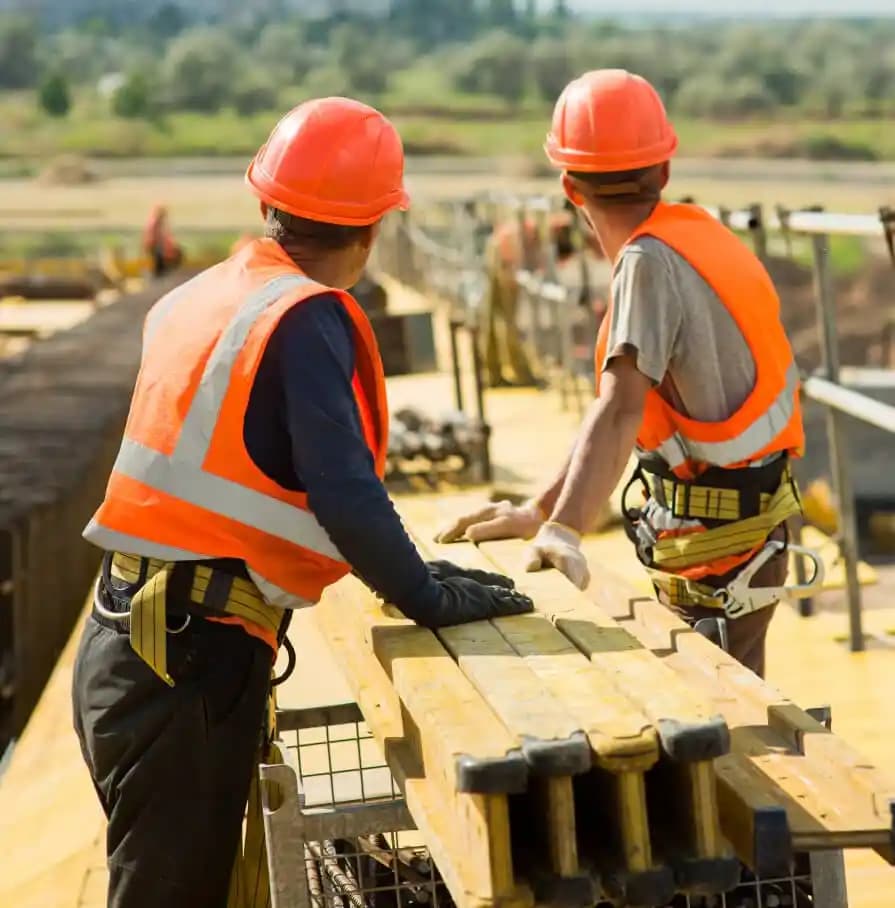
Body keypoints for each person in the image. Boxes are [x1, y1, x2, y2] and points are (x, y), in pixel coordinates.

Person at [72, 97, 532, 908]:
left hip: (133, 642)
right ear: (371, 230)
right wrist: (426, 595)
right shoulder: (300, 317)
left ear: (267, 202)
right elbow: (346, 494)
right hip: (185, 663)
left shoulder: (203, 295)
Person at [438, 70, 805, 678]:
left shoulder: (646, 262)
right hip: (744, 530)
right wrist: (543, 508)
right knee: (731, 712)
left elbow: (620, 408)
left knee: (717, 727)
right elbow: (612, 412)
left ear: (569, 187)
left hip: (722, 543)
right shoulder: (698, 237)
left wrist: (564, 531)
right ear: (663, 171)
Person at [142, 204, 182, 277]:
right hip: (155, 246)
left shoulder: (158, 223)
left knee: (175, 253)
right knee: (160, 257)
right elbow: (153, 238)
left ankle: (163, 273)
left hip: (159, 246)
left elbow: (165, 237)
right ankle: (160, 275)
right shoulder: (155, 223)